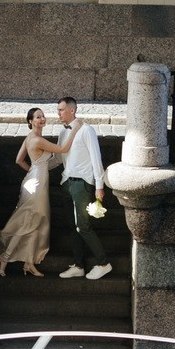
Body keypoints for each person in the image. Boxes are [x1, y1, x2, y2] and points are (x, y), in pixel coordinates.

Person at [0, 106, 82, 277]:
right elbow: (62, 150)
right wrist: (75, 130)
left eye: (43, 116)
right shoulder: (37, 140)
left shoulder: (31, 137)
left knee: (36, 222)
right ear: (30, 121)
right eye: (38, 117)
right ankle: (5, 257)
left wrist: (34, 171)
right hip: (37, 184)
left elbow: (19, 160)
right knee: (29, 221)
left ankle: (29, 263)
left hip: (34, 179)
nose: (42, 119)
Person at [56, 95, 111, 280]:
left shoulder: (87, 130)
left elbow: (96, 158)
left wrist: (99, 186)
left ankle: (103, 263)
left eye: (61, 109)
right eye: (58, 110)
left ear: (72, 110)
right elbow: (59, 157)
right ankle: (78, 266)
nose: (59, 113)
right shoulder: (63, 132)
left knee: (83, 227)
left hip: (82, 184)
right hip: (66, 183)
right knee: (74, 227)